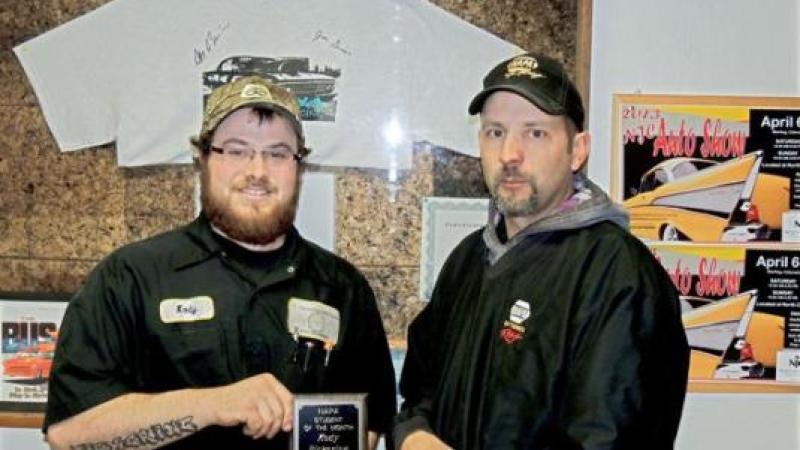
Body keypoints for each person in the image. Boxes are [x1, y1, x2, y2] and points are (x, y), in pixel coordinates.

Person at [44, 76, 396, 450]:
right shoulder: (131, 278)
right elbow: (69, 435)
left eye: (277, 153)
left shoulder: (342, 287)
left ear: (299, 168)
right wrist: (214, 404)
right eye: (237, 150)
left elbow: (367, 428)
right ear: (203, 159)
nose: (257, 171)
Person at [393, 53, 689, 450]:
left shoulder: (618, 276)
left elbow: (607, 439)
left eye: (535, 133)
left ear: (577, 149)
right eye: (495, 132)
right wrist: (414, 435)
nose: (510, 154)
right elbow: (419, 390)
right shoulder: (467, 260)